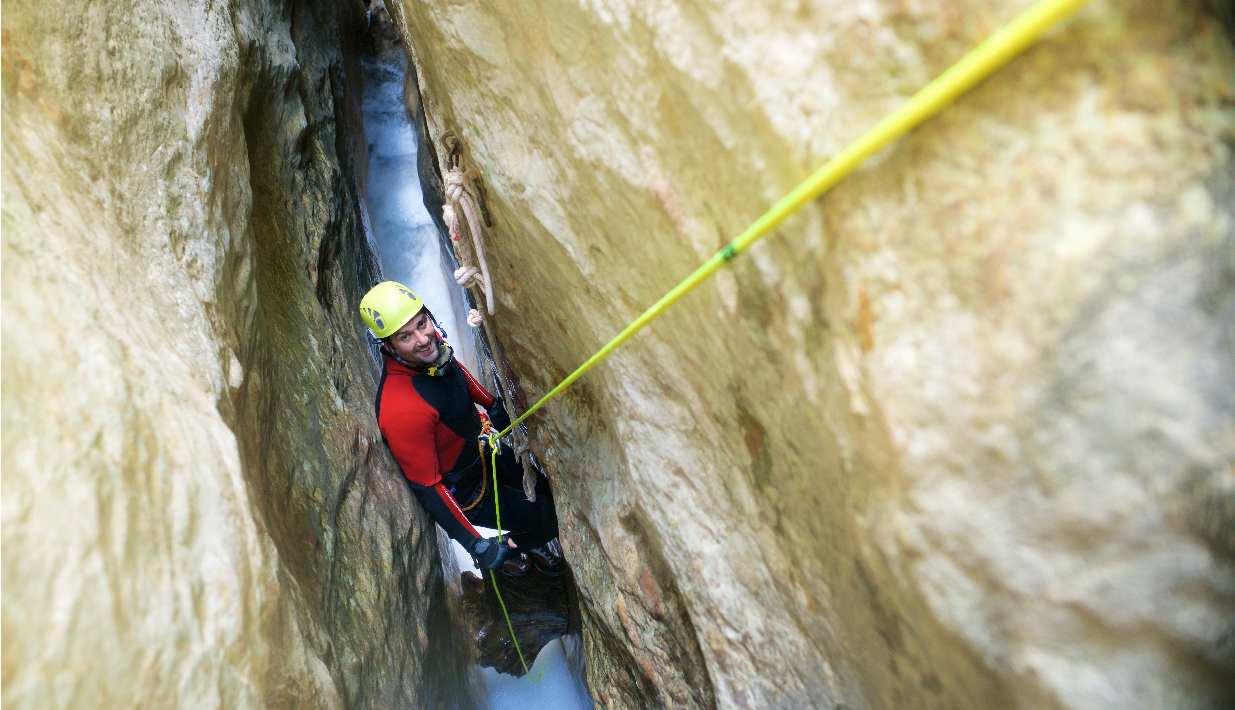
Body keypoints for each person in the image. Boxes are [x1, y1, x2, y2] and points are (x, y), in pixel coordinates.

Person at [359, 281, 564, 576]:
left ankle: (522, 539)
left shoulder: (431, 354)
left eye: (422, 323)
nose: (423, 338)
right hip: (468, 494)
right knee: (549, 519)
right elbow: (428, 488)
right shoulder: (400, 409)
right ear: (389, 346)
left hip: (482, 452)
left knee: (544, 490)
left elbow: (456, 371)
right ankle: (510, 547)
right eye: (406, 336)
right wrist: (475, 544)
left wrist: (490, 404)